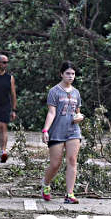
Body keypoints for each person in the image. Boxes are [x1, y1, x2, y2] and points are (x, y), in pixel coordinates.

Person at [39, 61, 85, 204]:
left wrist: (80, 117)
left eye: (73, 74)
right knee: (55, 163)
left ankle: (69, 194)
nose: (71, 76)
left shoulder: (76, 92)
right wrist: (45, 130)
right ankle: (46, 184)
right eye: (68, 73)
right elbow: (51, 112)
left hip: (73, 131)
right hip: (57, 131)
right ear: (61, 74)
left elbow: (78, 112)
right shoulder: (54, 91)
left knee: (72, 160)